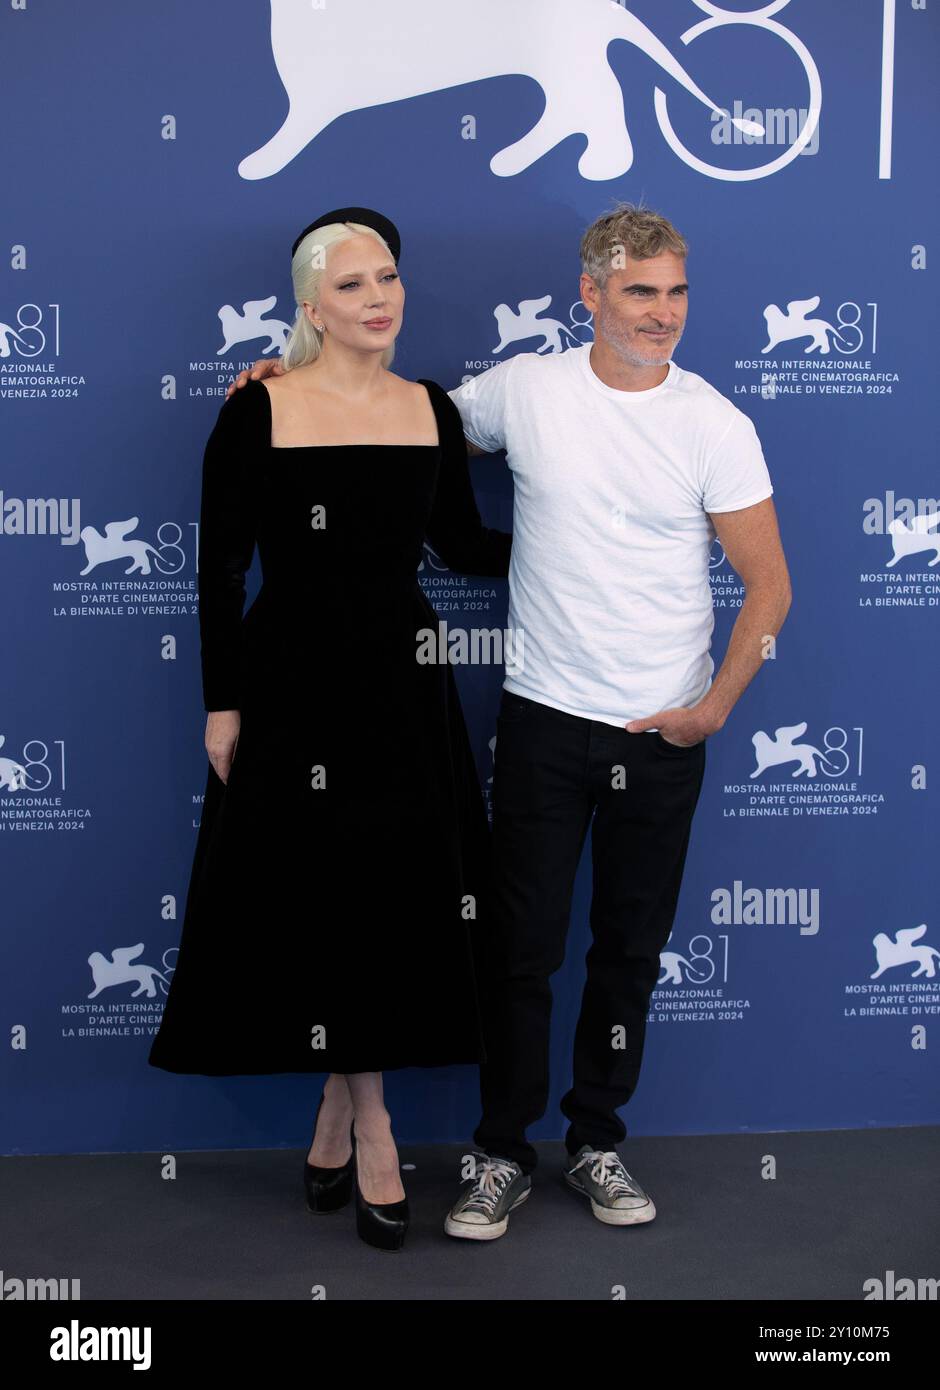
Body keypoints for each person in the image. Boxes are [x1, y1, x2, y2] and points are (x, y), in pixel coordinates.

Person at [231, 200, 791, 1242]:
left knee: (628, 949)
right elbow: (388, 414)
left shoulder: (716, 422)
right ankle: (499, 1153)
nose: (660, 313)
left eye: (674, 292)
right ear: (590, 294)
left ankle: (597, 1138)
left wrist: (711, 708)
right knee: (516, 951)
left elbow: (769, 590)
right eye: (637, 291)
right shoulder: (521, 392)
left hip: (660, 731)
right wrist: (288, 378)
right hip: (540, 721)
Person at [148, 207, 512, 1253]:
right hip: (292, 678)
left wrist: (597, 533)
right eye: (351, 285)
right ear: (310, 305)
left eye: (388, 278)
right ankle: (379, 1128)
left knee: (389, 897)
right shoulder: (257, 408)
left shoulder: (427, 408)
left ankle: (336, 1112)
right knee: (321, 898)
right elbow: (219, 569)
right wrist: (223, 704)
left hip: (403, 681)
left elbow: (461, 544)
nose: (378, 298)